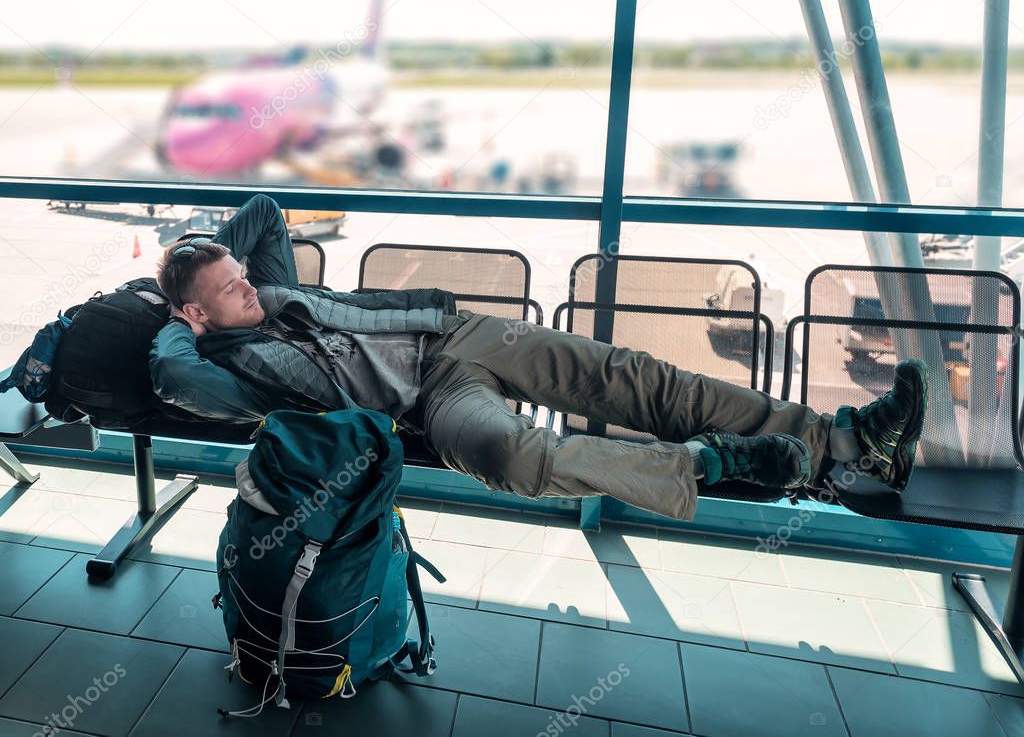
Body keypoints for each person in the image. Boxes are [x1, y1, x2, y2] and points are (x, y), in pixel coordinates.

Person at [150, 194, 927, 522]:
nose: (248, 286)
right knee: (510, 454)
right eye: (229, 288)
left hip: (456, 334)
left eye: (242, 275)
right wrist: (170, 310)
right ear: (195, 314)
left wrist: (199, 248)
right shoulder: (227, 368)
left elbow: (263, 215)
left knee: (635, 378)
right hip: (428, 403)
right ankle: (710, 462)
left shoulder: (272, 292)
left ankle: (844, 445)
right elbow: (171, 373)